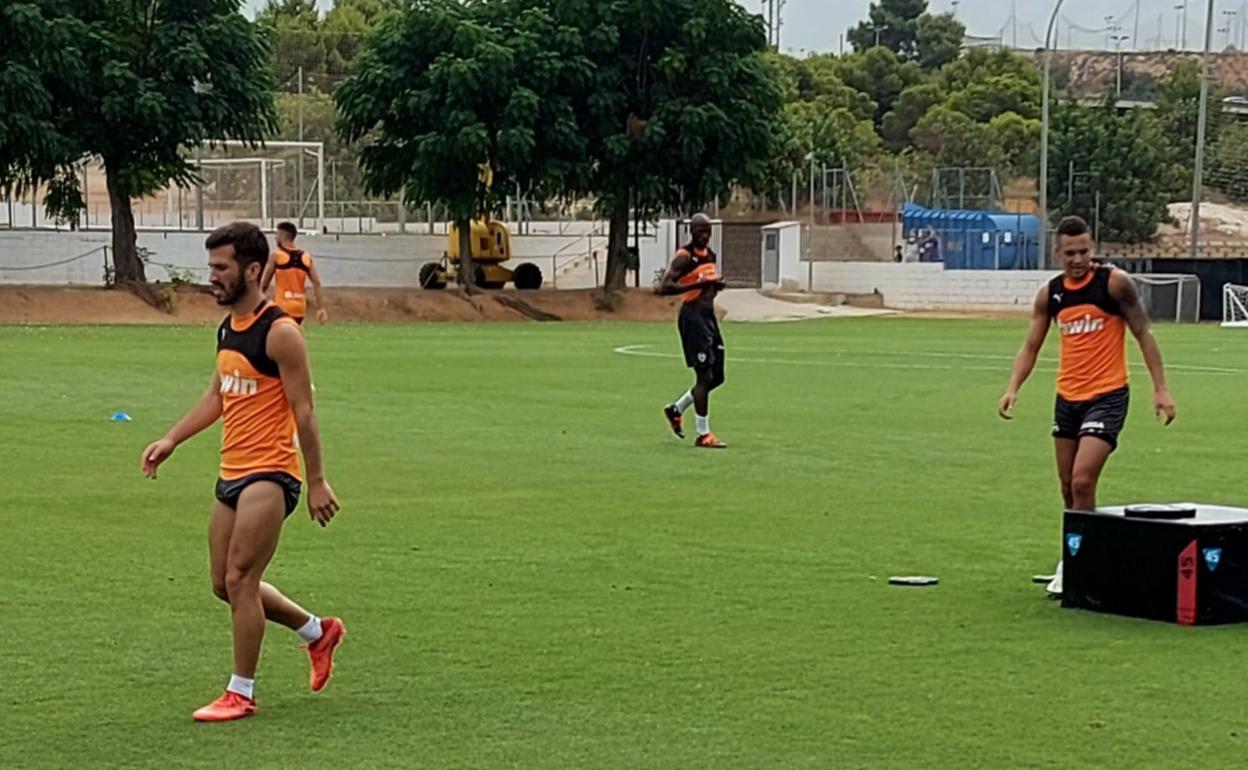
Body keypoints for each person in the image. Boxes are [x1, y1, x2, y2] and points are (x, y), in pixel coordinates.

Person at [141, 221, 344, 722]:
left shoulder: (281, 334)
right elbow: (218, 396)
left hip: (271, 473)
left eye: (220, 268)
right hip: (231, 471)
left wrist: (316, 480)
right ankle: (318, 632)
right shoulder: (229, 327)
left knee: (241, 577)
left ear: (252, 270)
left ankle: (241, 691)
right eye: (211, 266)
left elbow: (305, 412)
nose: (211, 276)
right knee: (224, 583)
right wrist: (172, 438)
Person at [998, 215, 1176, 597]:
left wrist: (1161, 388)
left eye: (1084, 251)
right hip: (1067, 399)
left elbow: (1143, 332)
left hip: (1108, 395)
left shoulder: (1113, 284)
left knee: (1082, 479)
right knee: (1067, 487)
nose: (1077, 259)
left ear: (1091, 248)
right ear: (1057, 252)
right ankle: (1075, 554)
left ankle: (1083, 559)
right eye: (1069, 253)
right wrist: (1013, 387)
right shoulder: (1051, 295)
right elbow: (1031, 345)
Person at [657, 213, 728, 449]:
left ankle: (677, 409)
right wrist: (699, 284)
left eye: (708, 231)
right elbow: (664, 287)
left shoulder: (710, 255)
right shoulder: (684, 257)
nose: (705, 236)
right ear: (692, 231)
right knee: (704, 376)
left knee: (717, 376)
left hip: (709, 317)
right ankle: (703, 434)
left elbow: (709, 287)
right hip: (692, 317)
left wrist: (716, 286)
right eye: (700, 231)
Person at [262, 222, 328, 325]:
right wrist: (321, 308)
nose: (275, 238)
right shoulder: (306, 257)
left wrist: (255, 305)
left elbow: (264, 284)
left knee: (276, 338)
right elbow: (317, 282)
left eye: (277, 234)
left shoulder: (277, 256)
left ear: (282, 236)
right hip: (299, 309)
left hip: (282, 308)